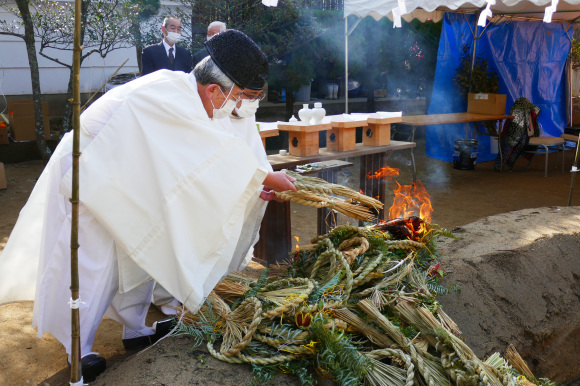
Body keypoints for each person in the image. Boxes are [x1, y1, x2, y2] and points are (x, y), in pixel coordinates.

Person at [0, 29, 295, 383]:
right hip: (94, 166)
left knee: (141, 249)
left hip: (131, 174)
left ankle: (134, 327)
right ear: (215, 89)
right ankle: (78, 346)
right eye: (238, 98)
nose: (237, 108)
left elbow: (219, 156)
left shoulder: (202, 100)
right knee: (96, 260)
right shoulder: (164, 94)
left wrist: (255, 182)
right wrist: (259, 179)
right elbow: (210, 155)